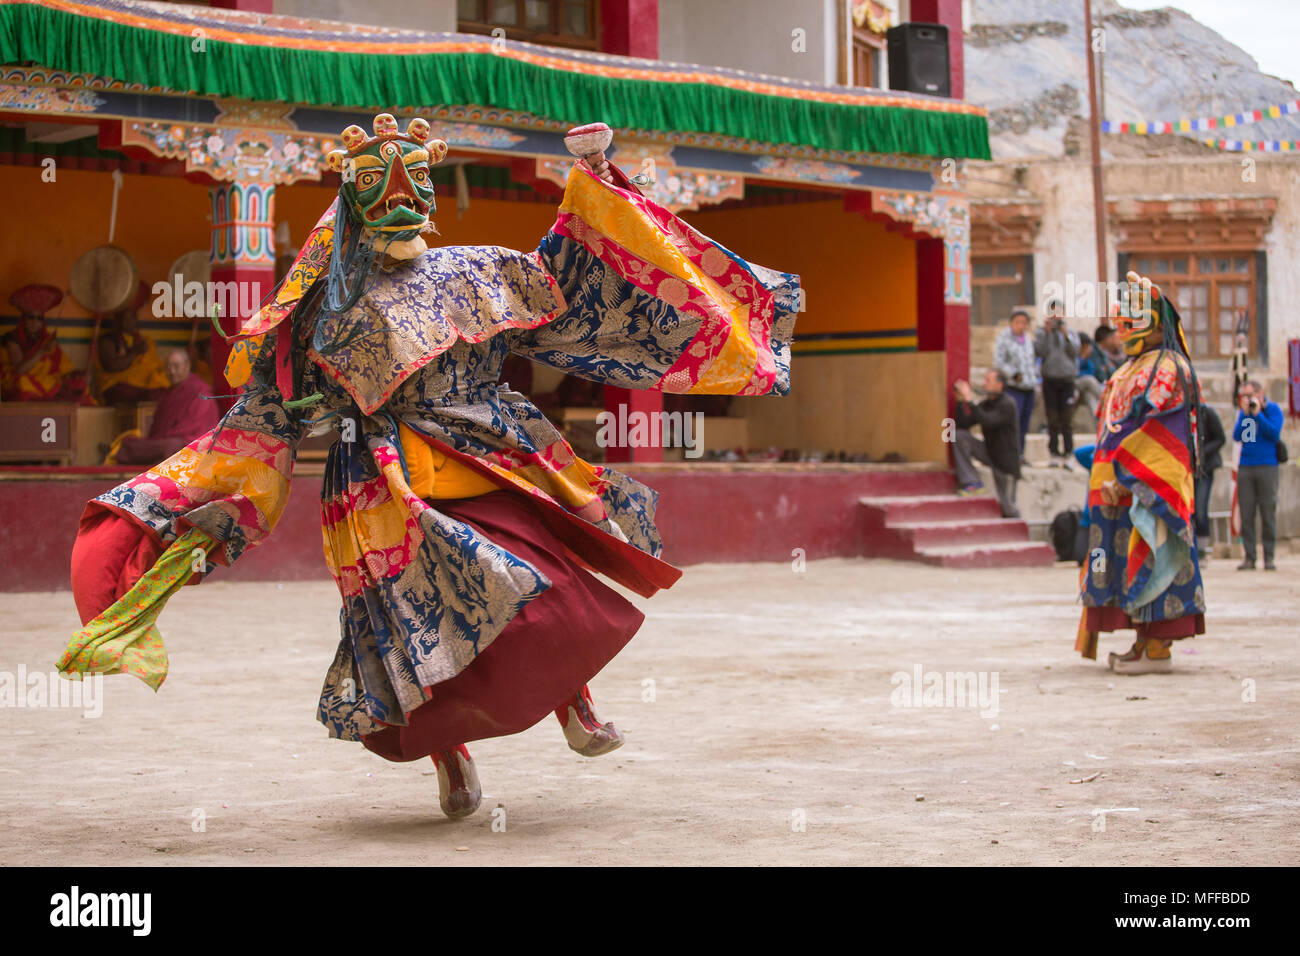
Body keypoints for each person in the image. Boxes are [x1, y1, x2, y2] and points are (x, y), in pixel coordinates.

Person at [58, 114, 799, 820]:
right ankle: (453, 758)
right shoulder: (325, 309)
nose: (403, 205)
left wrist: (600, 177)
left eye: (414, 187)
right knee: (418, 627)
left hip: (485, 451)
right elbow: (272, 415)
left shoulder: (476, 270)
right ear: (355, 208)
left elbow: (573, 272)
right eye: (384, 194)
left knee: (535, 581)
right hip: (383, 481)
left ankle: (576, 705)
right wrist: (173, 511)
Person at [1076, 272, 1204, 675]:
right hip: (1114, 484)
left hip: (1147, 485)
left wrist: (1126, 475)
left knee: (1151, 551)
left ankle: (1158, 645)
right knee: (1119, 559)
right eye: (1121, 319)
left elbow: (1161, 430)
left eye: (1131, 318)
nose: (1123, 327)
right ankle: (1140, 639)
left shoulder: (1168, 367)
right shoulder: (1129, 368)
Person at [109, 350, 220, 465]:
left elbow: (195, 428)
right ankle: (156, 458)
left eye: (176, 367)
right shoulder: (169, 394)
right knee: (130, 443)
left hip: (187, 445)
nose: (172, 372)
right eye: (168, 367)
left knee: (171, 446)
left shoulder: (200, 391)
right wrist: (158, 440)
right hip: (164, 442)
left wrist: (167, 437)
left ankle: (156, 458)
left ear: (187, 365)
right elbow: (158, 426)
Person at [0, 284, 88, 402]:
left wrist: (79, 374)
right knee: (23, 383)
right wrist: (42, 351)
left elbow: (64, 369)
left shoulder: (47, 339)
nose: (35, 322)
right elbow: (19, 370)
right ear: (23, 319)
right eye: (31, 317)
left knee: (80, 383)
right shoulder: (12, 339)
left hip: (45, 380)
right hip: (17, 381)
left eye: (39, 318)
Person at [952, 369, 1021, 518]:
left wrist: (970, 401)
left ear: (999, 385)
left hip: (1005, 463)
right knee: (958, 437)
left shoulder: (1007, 404)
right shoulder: (986, 404)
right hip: (990, 453)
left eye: (988, 381)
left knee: (1009, 507)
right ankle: (972, 482)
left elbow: (988, 421)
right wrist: (960, 402)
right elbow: (964, 423)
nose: (984, 383)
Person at [1232, 380, 1282, 571]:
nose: (1246, 399)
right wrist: (1246, 416)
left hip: (1267, 466)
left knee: (1268, 512)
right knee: (1247, 513)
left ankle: (1268, 557)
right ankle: (1249, 557)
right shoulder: (1244, 414)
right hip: (1246, 466)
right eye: (1243, 396)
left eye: (1249, 395)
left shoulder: (1273, 410)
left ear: (1260, 393)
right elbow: (1239, 437)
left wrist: (1258, 415)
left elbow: (1274, 433)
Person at [95, 282, 169, 404]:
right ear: (117, 320)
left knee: (166, 393)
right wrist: (135, 352)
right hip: (117, 386)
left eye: (133, 317)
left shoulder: (145, 340)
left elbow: (153, 367)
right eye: (126, 318)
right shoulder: (108, 340)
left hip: (145, 386)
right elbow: (111, 366)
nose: (131, 322)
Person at [1035, 299, 1080, 466]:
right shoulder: (1041, 333)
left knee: (1067, 419)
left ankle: (1068, 453)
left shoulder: (1071, 332)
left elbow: (1075, 352)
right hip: (1050, 380)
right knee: (1052, 418)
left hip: (1067, 380)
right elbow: (1040, 352)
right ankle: (1053, 453)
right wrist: (1047, 333)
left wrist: (1065, 335)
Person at [993, 308, 1037, 462]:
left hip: (1029, 387)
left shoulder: (1028, 340)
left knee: (1024, 423)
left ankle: (1020, 454)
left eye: (1024, 323)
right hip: (1013, 387)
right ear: (1011, 323)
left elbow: (1032, 362)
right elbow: (999, 362)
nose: (1021, 326)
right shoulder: (1004, 339)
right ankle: (1009, 453)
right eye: (1018, 322)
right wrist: (1012, 374)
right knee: (1013, 422)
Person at [1194, 401, 1226, 561]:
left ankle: (1201, 549)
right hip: (1187, 469)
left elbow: (1222, 438)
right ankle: (1191, 547)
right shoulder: (1181, 414)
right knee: (1189, 509)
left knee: (1200, 509)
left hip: (1205, 469)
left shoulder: (1207, 413)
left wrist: (1202, 452)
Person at [1074, 332, 1104, 420]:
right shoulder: (1073, 355)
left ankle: (1099, 421)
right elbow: (1074, 373)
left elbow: (1091, 371)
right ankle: (1104, 397)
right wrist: (1082, 357)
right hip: (1073, 383)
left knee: (1089, 396)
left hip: (1085, 388)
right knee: (1089, 380)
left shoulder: (1088, 359)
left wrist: (1085, 358)